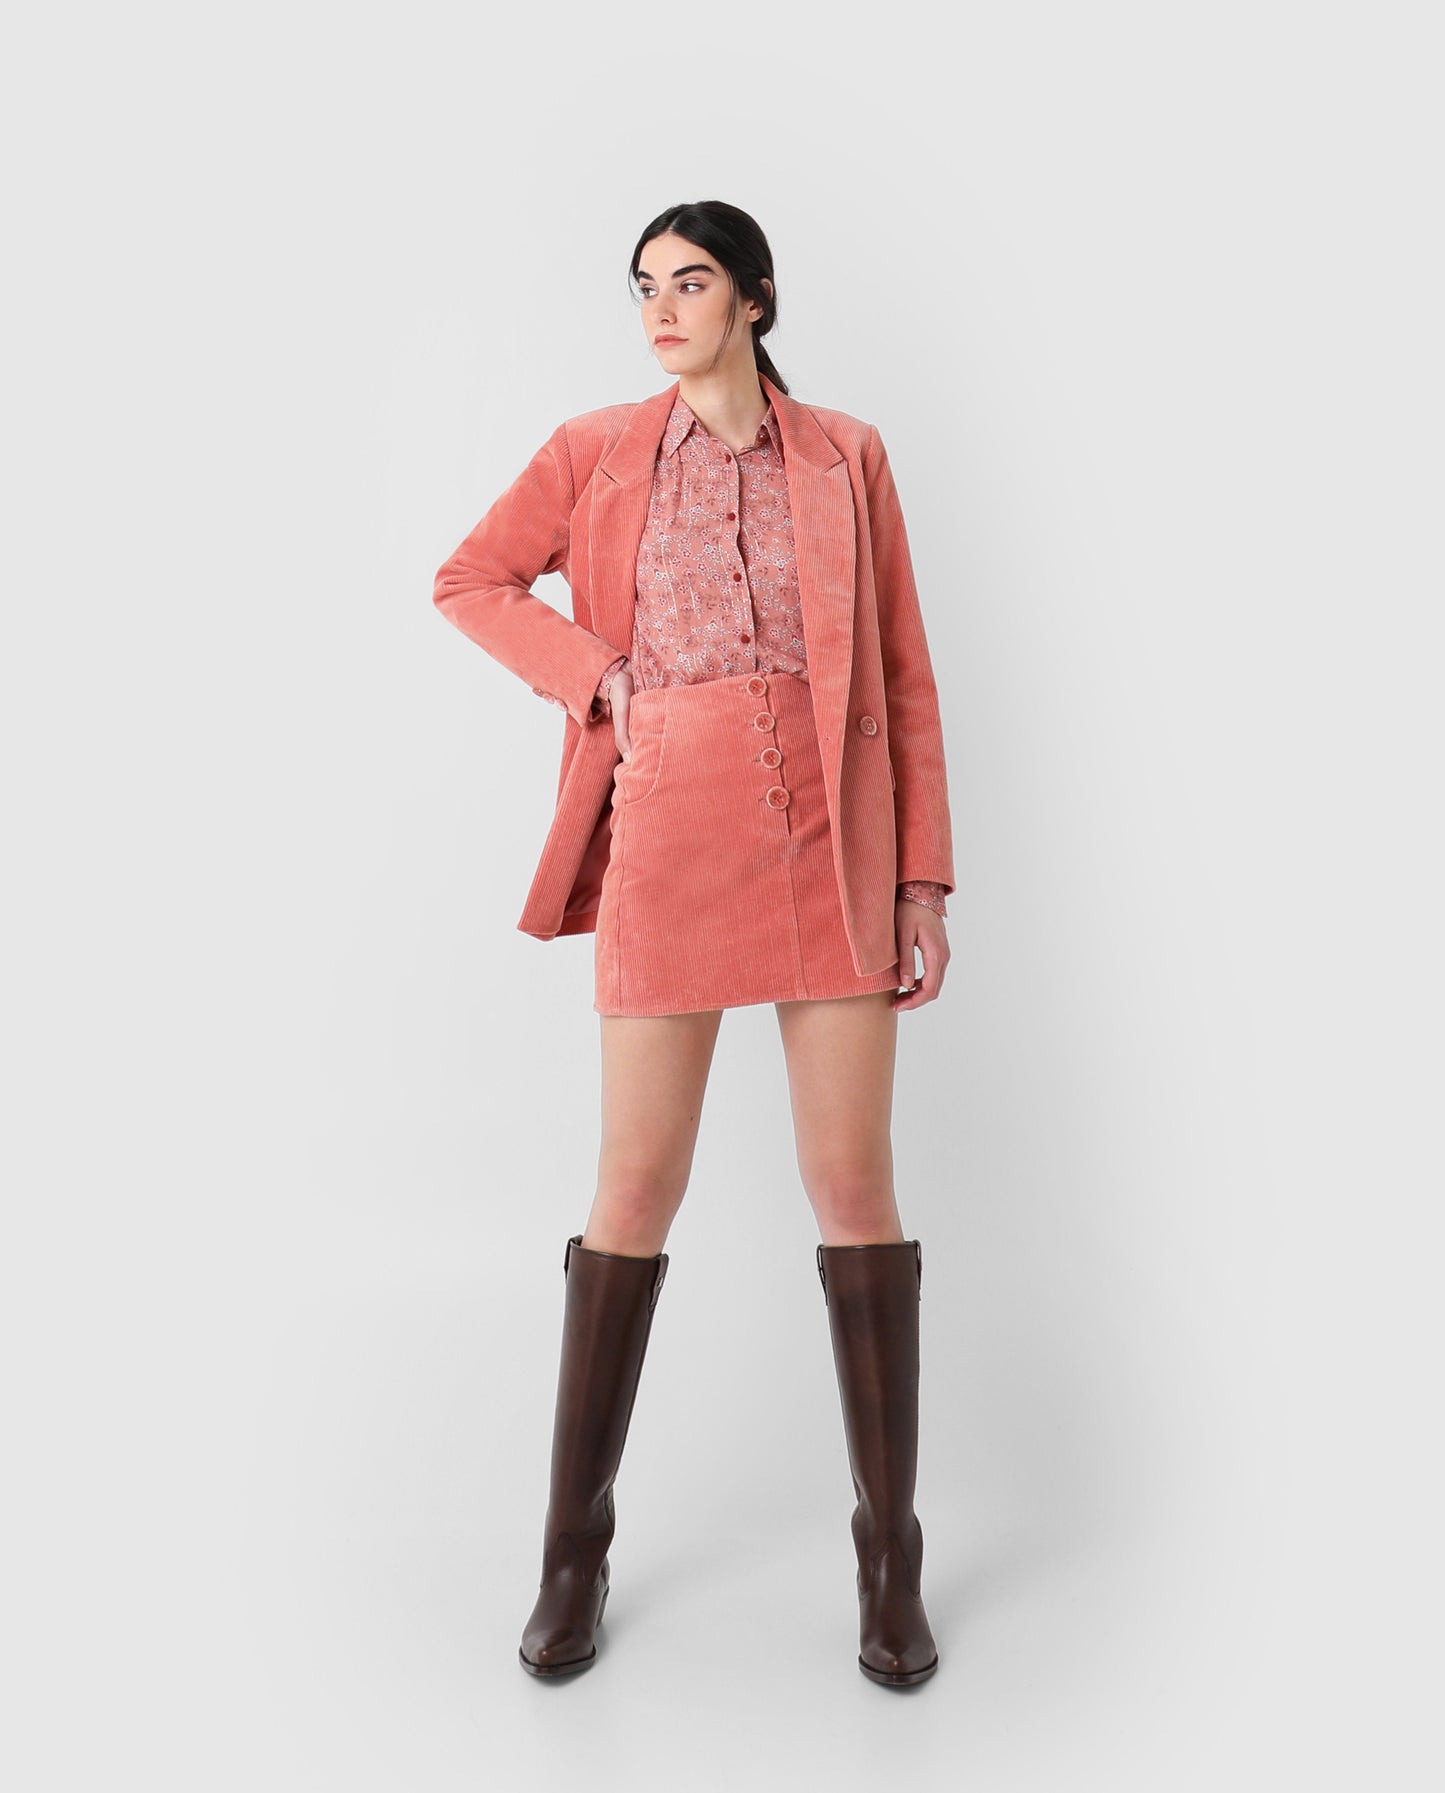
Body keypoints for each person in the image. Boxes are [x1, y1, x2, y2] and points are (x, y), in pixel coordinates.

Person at [432, 200, 955, 1686]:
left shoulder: (848, 455)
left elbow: (904, 668)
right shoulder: (596, 450)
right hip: (666, 835)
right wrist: (593, 673)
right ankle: (571, 1553)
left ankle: (889, 1558)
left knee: (852, 1183)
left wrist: (921, 879)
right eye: (645, 286)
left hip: (832, 844)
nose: (661, 309)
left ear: (756, 299)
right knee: (634, 1185)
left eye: (692, 282)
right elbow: (470, 579)